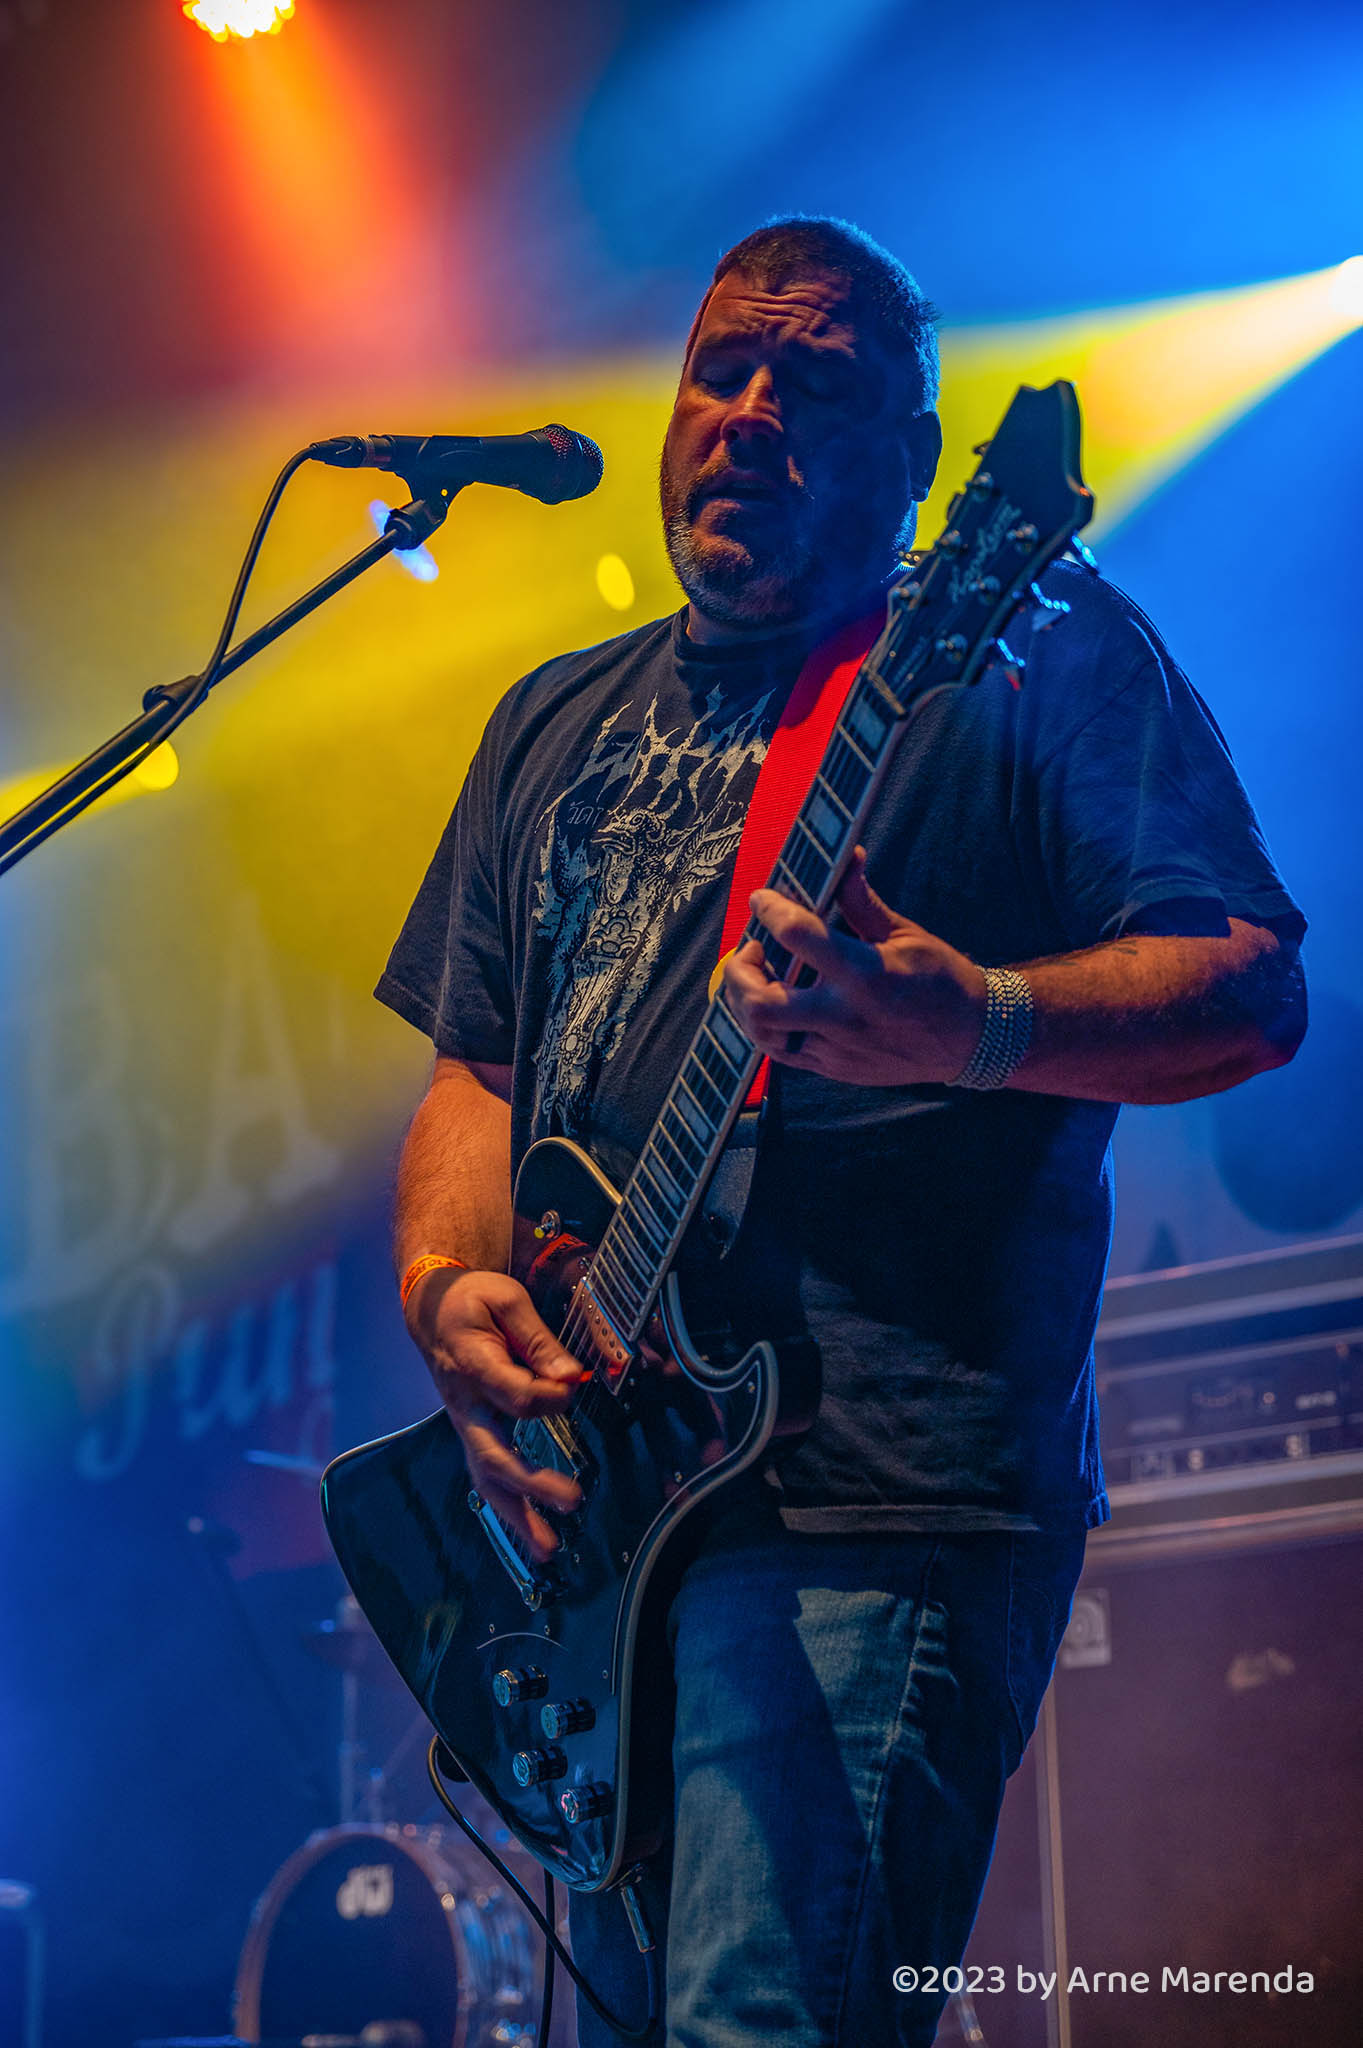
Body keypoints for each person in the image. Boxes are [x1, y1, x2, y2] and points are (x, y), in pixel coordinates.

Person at [375, 216, 1306, 2046]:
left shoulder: (1022, 652)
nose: (749, 413)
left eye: (814, 383)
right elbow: (475, 1073)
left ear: (914, 459)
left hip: (869, 1495)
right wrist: (442, 1288)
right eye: (719, 370)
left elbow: (1248, 984)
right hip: (605, 1515)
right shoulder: (552, 722)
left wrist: (979, 1021)